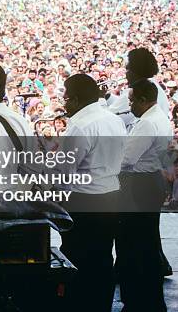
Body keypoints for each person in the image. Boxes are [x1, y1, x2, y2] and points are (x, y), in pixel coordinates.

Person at [56, 74, 127, 312]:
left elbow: (65, 173)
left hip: (83, 201)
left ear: (75, 100)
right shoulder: (113, 119)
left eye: (65, 98)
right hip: (111, 195)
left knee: (77, 258)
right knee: (103, 258)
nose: (63, 104)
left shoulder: (79, 126)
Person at [116, 80, 172, 311]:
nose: (130, 107)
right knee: (147, 243)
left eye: (131, 101)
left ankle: (138, 298)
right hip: (151, 182)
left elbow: (126, 160)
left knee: (133, 244)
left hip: (138, 184)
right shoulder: (160, 117)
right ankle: (150, 298)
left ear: (142, 100)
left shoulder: (147, 124)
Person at [109, 48, 169, 130]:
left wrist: (101, 99)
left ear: (134, 72)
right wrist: (109, 97)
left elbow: (110, 117)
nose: (125, 74)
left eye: (127, 70)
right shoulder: (156, 88)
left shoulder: (136, 91)